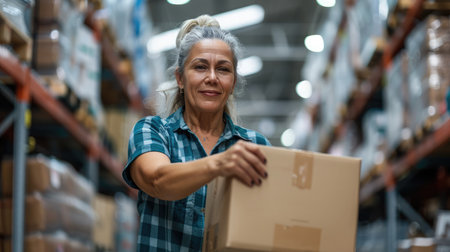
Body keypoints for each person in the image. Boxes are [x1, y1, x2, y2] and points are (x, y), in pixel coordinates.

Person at [122, 14, 271, 251]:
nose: (212, 78)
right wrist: (220, 164)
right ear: (180, 79)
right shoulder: (153, 131)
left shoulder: (255, 145)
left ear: (232, 83)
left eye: (223, 69)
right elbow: (157, 179)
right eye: (200, 67)